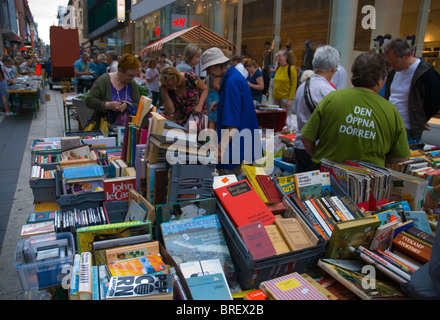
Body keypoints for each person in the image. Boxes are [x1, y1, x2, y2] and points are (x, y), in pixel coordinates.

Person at [300, 52, 411, 168]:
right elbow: (400, 157)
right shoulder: (391, 111)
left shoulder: (332, 98)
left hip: (327, 177)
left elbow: (306, 138)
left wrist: (319, 158)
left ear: (353, 76)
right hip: (369, 180)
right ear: (380, 80)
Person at [201, 47, 263, 176]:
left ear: (218, 66)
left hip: (235, 143)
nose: (208, 73)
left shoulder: (231, 82)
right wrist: (221, 104)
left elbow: (232, 125)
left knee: (229, 184)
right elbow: (239, 103)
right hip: (241, 139)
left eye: (209, 69)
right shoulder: (234, 76)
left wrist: (220, 149)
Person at [383, 38, 440, 143]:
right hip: (388, 126)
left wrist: (420, 120)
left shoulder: (426, 73)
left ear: (406, 55)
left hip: (408, 130)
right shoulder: (392, 72)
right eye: (389, 63)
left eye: (395, 62)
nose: (392, 66)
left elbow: (434, 102)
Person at [293, 45, 340, 173]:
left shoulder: (302, 87)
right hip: (315, 149)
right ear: (333, 67)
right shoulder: (328, 91)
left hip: (299, 145)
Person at [86, 54, 141, 126]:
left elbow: (138, 104)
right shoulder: (104, 80)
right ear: (120, 70)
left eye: (134, 75)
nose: (131, 78)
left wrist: (128, 105)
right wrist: (107, 105)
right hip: (106, 129)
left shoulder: (132, 84)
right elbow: (89, 100)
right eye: (129, 75)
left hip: (128, 130)